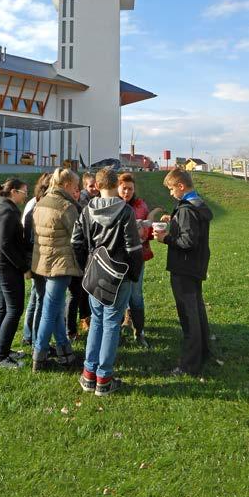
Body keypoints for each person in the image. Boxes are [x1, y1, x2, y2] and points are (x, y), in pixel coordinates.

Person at [72, 167, 143, 395]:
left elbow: (76, 242)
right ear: (115, 184)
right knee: (112, 323)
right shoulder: (125, 211)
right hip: (118, 274)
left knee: (97, 320)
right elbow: (134, 248)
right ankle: (104, 378)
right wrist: (133, 275)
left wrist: (86, 266)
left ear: (99, 185)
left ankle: (88, 374)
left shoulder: (86, 209)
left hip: (95, 271)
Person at [153, 169, 213, 377]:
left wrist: (165, 238)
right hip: (196, 266)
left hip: (184, 267)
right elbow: (191, 226)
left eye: (171, 189)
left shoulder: (186, 210)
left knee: (188, 316)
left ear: (181, 186)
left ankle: (189, 365)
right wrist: (175, 219)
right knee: (197, 310)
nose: (170, 193)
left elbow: (187, 242)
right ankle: (204, 352)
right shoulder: (196, 203)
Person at [31, 168, 82, 372]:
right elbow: (78, 238)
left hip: (42, 262)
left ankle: (65, 351)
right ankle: (39, 355)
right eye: (76, 186)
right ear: (66, 185)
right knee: (50, 312)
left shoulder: (40, 203)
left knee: (53, 308)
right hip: (60, 265)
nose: (77, 190)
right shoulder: (66, 206)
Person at [0, 178, 32, 368]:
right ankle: (1, 358)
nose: (25, 196)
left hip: (2, 264)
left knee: (4, 307)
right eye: (24, 192)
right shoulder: (7, 211)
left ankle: (3, 349)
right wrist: (23, 267)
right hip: (7, 266)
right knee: (14, 309)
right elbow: (5, 244)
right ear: (13, 192)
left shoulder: (5, 208)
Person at [117, 172, 154, 348]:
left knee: (136, 295)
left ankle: (139, 332)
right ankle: (118, 331)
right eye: (124, 188)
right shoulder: (113, 205)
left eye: (130, 189)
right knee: (118, 296)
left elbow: (147, 232)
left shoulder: (140, 205)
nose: (127, 192)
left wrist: (142, 230)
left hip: (137, 256)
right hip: (117, 258)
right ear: (118, 188)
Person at [21, 173, 52, 346]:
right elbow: (30, 237)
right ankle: (36, 341)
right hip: (38, 258)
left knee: (35, 297)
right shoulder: (37, 206)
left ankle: (29, 335)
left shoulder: (33, 203)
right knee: (41, 299)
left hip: (34, 258)